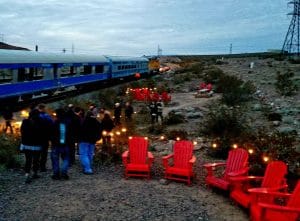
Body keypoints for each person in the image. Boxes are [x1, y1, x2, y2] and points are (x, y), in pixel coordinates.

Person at [20, 109, 44, 183]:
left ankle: (27, 174)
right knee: (36, 160)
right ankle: (35, 173)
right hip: (36, 144)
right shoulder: (40, 122)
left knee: (28, 160)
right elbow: (42, 133)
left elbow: (22, 132)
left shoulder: (25, 121)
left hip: (26, 144)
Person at [78, 108, 102, 174]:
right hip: (92, 141)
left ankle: (87, 169)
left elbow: (79, 130)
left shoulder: (84, 121)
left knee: (83, 154)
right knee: (90, 154)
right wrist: (97, 138)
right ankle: (88, 167)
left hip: (83, 140)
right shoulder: (97, 122)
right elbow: (100, 131)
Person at [50, 108, 71, 180]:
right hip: (65, 144)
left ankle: (56, 174)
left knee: (55, 160)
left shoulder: (54, 122)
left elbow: (51, 134)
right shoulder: (68, 122)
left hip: (55, 145)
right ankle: (64, 172)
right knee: (66, 158)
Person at [37, 103, 54, 172]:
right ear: (43, 108)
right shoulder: (46, 116)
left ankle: (36, 166)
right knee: (44, 152)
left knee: (37, 152)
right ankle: (42, 167)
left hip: (37, 136)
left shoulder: (35, 116)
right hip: (45, 136)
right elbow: (52, 124)